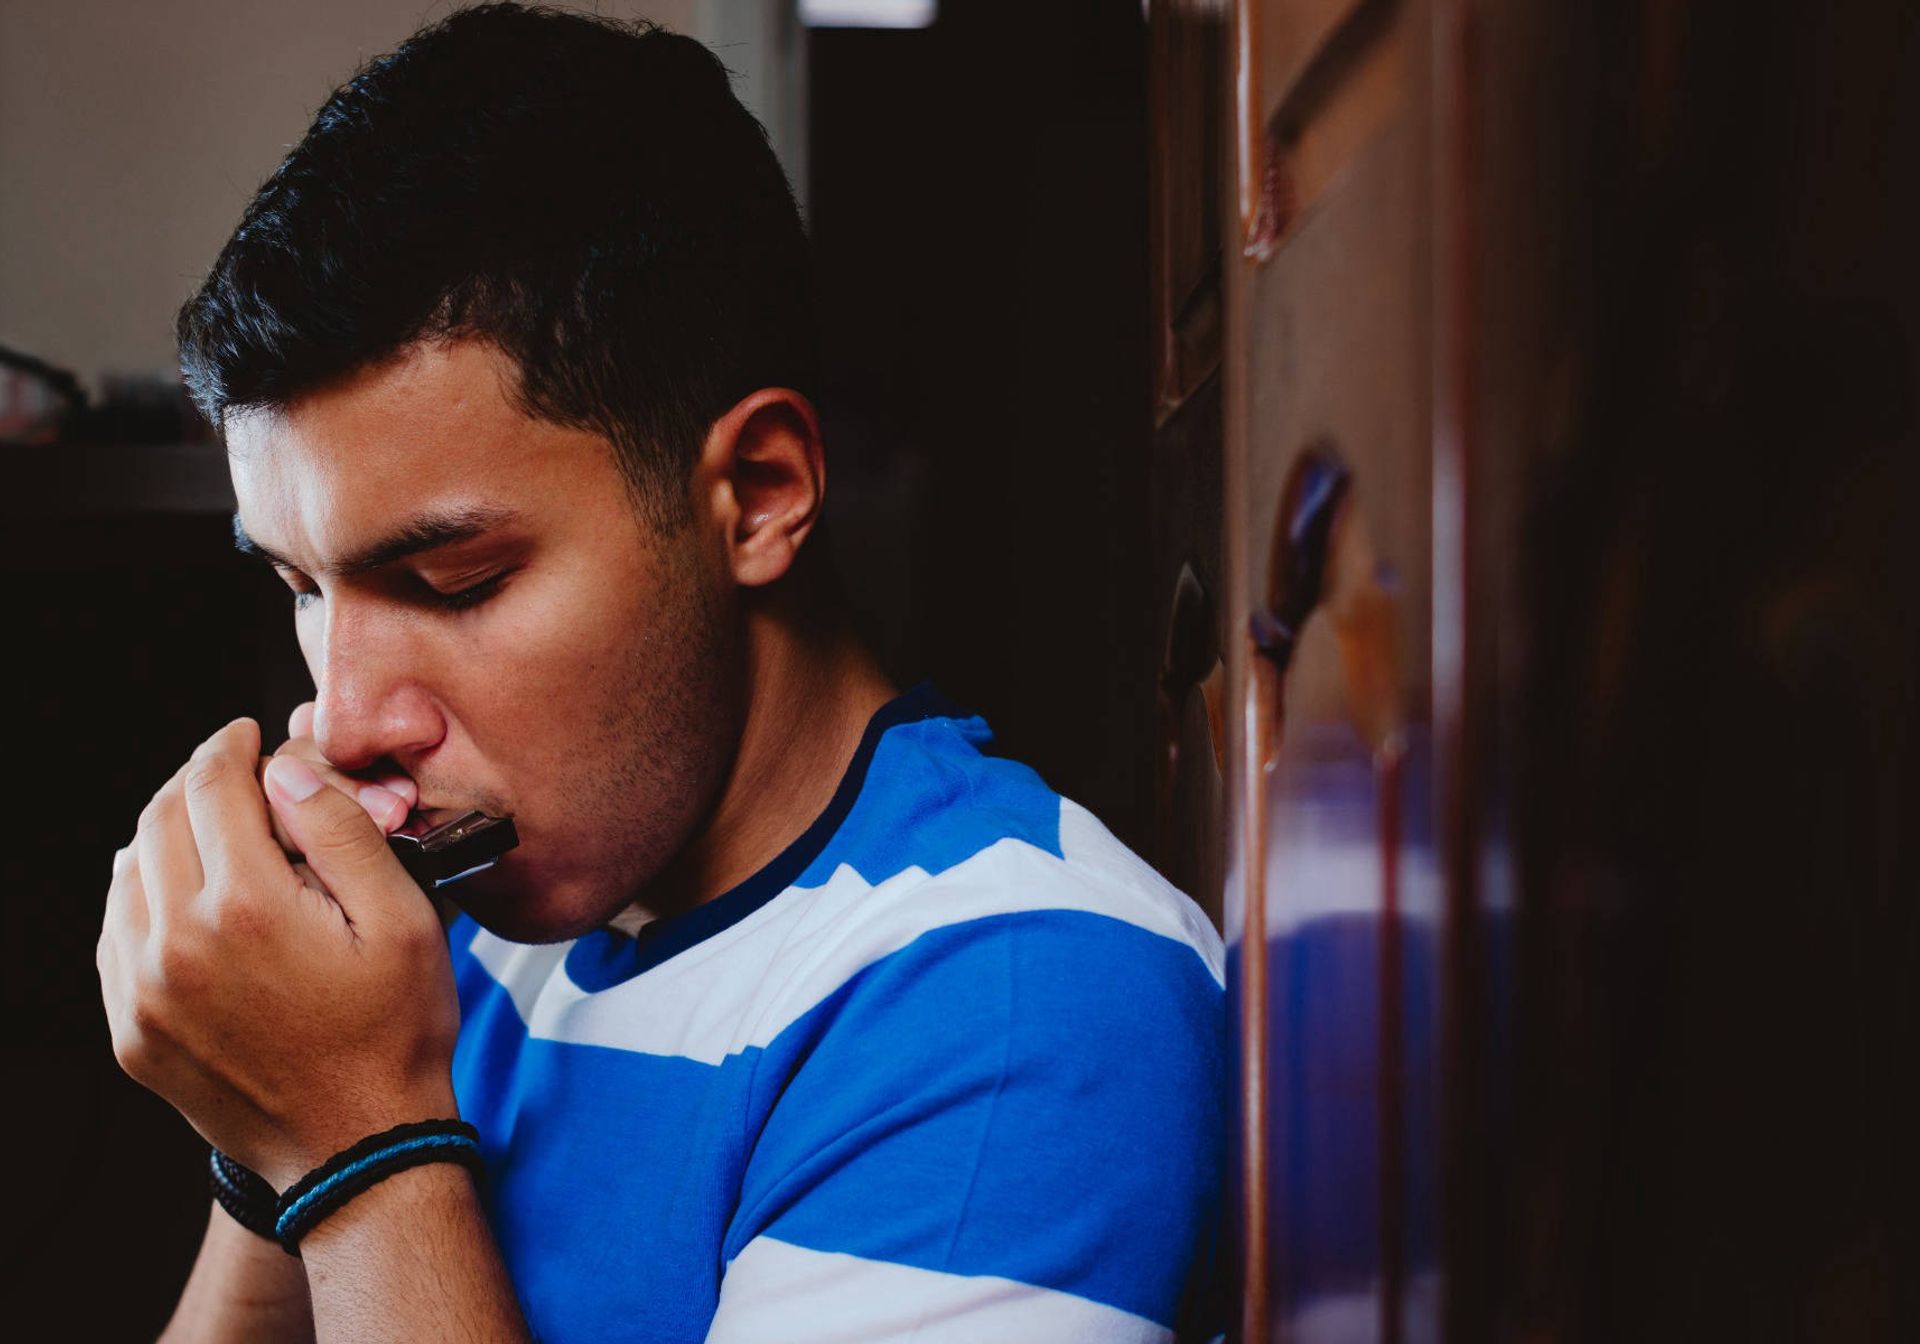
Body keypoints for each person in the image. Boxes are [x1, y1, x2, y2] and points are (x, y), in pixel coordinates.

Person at [96, 5, 1226, 1340]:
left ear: (758, 493)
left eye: (456, 583)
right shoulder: (442, 954)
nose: (343, 723)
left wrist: (355, 1148)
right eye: (302, 587)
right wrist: (270, 1122)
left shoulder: (1022, 998)